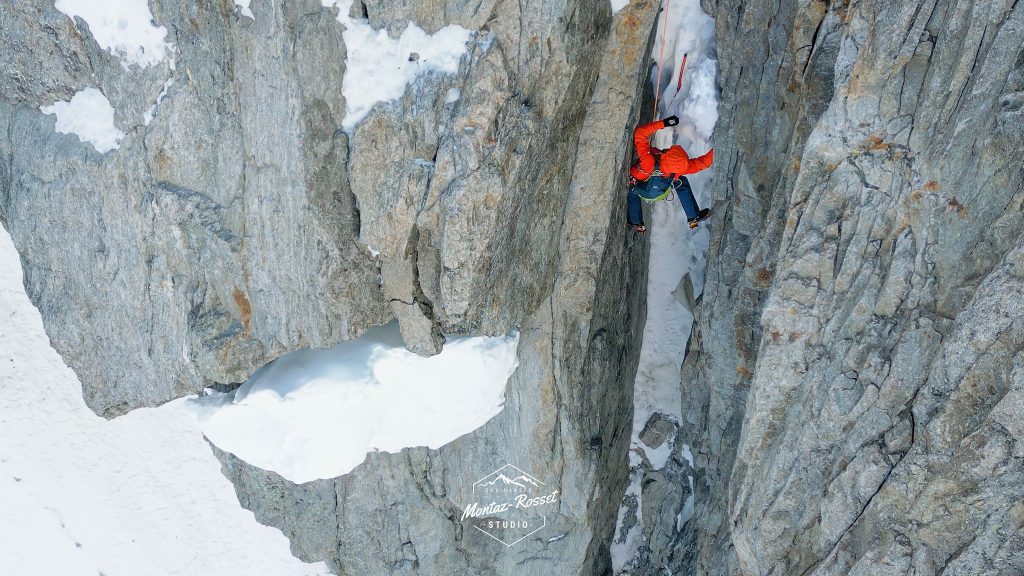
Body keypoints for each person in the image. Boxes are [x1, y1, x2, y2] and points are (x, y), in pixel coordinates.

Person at [627, 115, 713, 232]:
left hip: (642, 188)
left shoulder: (649, 162)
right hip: (662, 191)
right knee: (681, 182)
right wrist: (717, 150)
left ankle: (636, 222)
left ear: (667, 154)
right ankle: (693, 217)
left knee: (633, 191)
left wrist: (664, 123)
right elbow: (703, 163)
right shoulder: (678, 171)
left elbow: (640, 133)